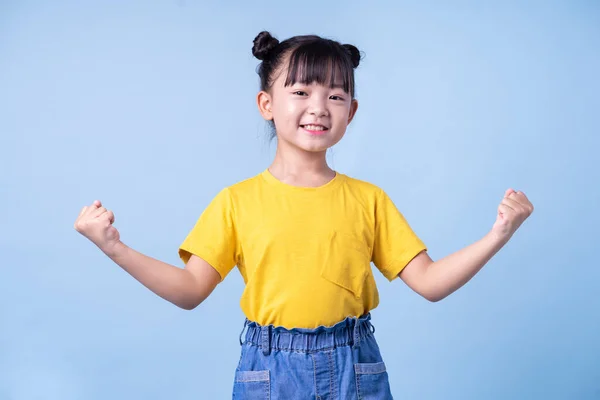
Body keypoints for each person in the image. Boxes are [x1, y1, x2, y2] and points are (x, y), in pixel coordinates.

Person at [74, 31, 534, 399]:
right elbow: (190, 290)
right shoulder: (237, 201)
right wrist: (114, 247)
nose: (319, 107)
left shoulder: (369, 200)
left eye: (336, 96)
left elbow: (430, 284)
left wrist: (498, 234)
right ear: (267, 105)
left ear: (351, 112)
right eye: (301, 91)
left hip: (356, 365)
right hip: (270, 371)